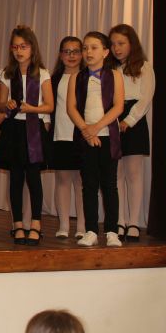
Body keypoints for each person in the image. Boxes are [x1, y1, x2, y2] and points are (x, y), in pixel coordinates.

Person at [0, 26, 54, 245]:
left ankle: (36, 224)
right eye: (15, 47)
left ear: (32, 48)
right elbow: (1, 103)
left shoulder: (42, 73)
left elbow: (49, 106)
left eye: (24, 46)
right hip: (14, 129)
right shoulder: (7, 73)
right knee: (16, 179)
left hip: (34, 129)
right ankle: (18, 223)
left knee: (34, 178)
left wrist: (32, 109)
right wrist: (8, 104)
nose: (19, 51)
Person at [67, 31, 125, 248]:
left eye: (94, 47)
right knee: (89, 185)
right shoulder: (76, 77)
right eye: (85, 48)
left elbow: (118, 106)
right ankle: (91, 230)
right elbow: (71, 108)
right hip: (86, 138)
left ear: (105, 52)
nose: (88, 52)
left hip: (107, 136)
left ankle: (112, 230)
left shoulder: (115, 75)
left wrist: (96, 128)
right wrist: (86, 130)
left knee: (109, 184)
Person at [109, 23, 154, 242]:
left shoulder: (144, 66)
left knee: (134, 173)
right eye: (113, 44)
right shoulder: (111, 69)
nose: (116, 48)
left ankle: (134, 222)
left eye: (121, 43)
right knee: (116, 173)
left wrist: (129, 120)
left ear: (131, 44)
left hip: (133, 120)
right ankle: (120, 220)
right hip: (113, 117)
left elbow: (145, 98)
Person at [50, 37, 86, 239]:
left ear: (82, 54)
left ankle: (81, 226)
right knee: (62, 179)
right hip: (60, 134)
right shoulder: (54, 79)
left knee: (81, 181)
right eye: (67, 51)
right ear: (60, 55)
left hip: (82, 134)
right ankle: (63, 224)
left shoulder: (87, 77)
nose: (71, 56)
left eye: (76, 51)